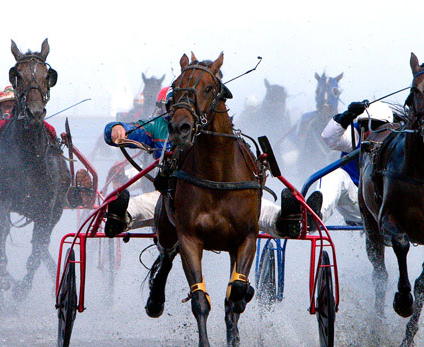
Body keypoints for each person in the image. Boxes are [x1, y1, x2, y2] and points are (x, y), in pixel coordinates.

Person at [102, 86, 303, 238]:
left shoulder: (209, 127)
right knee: (138, 206)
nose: (180, 111)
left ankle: (286, 220)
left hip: (223, 195)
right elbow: (131, 130)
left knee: (256, 208)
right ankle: (120, 219)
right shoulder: (157, 126)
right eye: (174, 105)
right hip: (174, 195)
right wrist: (115, 129)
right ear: (166, 107)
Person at [304, 100, 395, 226]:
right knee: (335, 175)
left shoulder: (397, 144)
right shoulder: (356, 136)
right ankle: (313, 218)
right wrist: (347, 116)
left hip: (389, 210)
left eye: (375, 126)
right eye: (365, 125)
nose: (370, 131)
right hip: (359, 204)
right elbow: (329, 138)